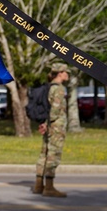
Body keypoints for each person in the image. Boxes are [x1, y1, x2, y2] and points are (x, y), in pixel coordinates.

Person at [34, 62, 70, 198]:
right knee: (53, 155)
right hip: (56, 126)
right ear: (60, 73)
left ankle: (39, 185)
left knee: (44, 154)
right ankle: (49, 187)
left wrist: (44, 123)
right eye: (66, 72)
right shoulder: (59, 89)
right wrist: (50, 123)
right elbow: (55, 109)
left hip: (48, 124)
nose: (67, 74)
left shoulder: (49, 87)